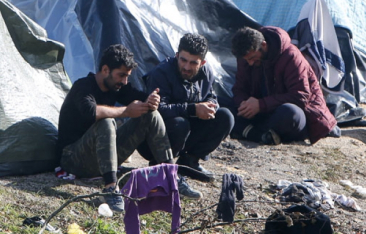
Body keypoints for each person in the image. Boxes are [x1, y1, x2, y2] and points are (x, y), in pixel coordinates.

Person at [57, 44, 201, 213]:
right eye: (121, 75)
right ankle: (110, 188)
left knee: (150, 115)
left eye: (127, 76)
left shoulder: (117, 87)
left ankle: (171, 176)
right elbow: (91, 112)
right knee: (106, 121)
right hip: (74, 159)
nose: (124, 81)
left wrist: (151, 100)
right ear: (105, 70)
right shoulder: (83, 87)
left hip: (102, 158)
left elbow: (139, 99)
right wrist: (126, 111)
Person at [141, 33, 235, 181]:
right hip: (156, 138)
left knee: (225, 116)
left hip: (188, 130)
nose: (186, 67)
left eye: (193, 63)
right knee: (179, 124)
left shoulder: (206, 73)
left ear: (202, 63)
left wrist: (210, 107)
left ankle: (189, 162)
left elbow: (211, 97)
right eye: (183, 60)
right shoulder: (161, 72)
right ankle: (161, 165)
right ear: (177, 55)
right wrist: (193, 109)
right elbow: (157, 110)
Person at [230, 26, 339, 145]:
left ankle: (249, 132)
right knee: (220, 106)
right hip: (260, 114)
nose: (250, 63)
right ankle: (261, 135)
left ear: (264, 45)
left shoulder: (291, 56)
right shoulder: (245, 59)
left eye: (252, 58)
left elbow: (300, 97)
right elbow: (239, 88)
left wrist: (261, 105)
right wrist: (243, 105)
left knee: (290, 113)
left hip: (289, 115)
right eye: (247, 60)